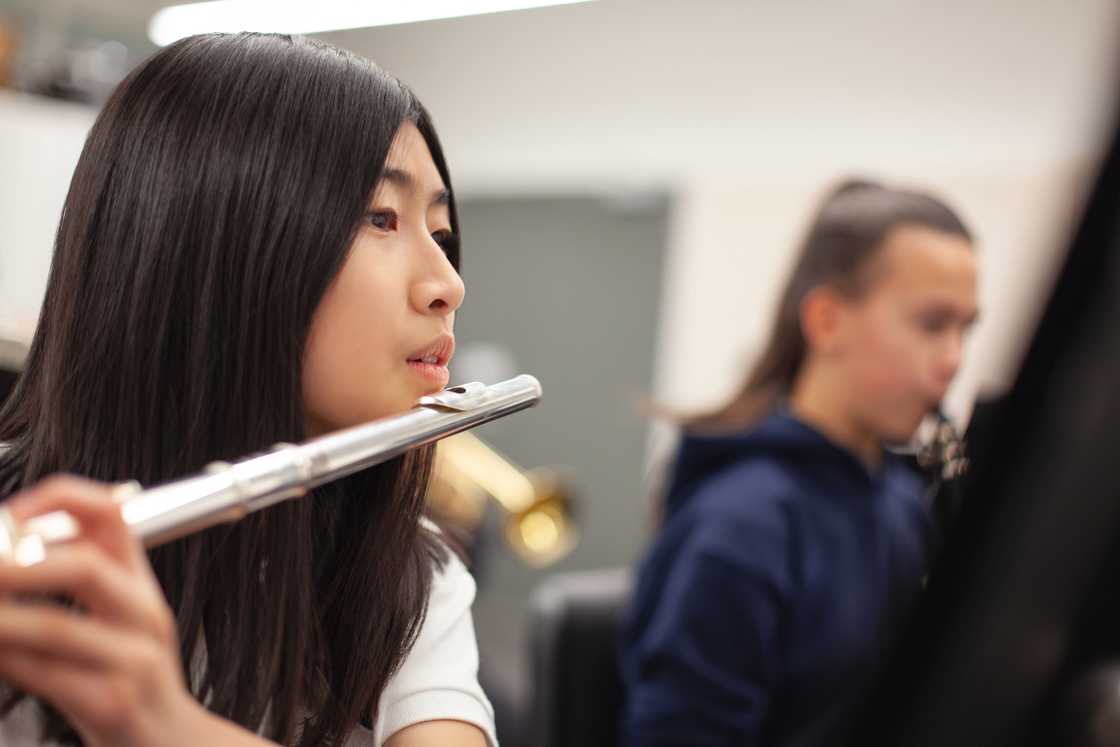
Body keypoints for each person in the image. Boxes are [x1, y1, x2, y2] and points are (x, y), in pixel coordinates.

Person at [0, 32, 495, 747]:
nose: (448, 283)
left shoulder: (405, 570)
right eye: (382, 218)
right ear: (215, 239)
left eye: (441, 233)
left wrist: (165, 725)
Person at [620, 179, 980, 746]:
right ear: (827, 320)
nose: (954, 360)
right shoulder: (741, 527)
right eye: (932, 324)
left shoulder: (904, 501)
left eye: (966, 328)